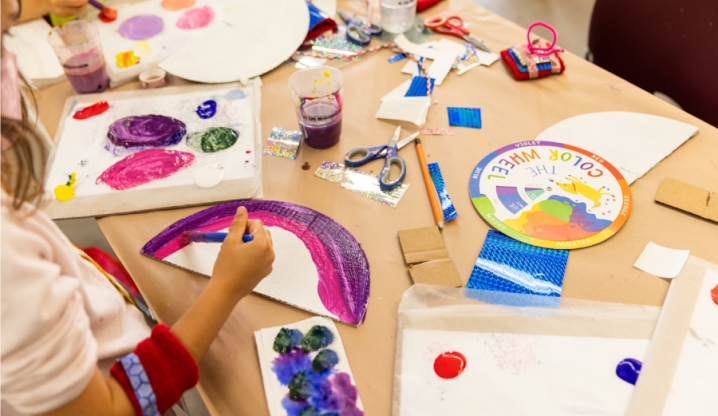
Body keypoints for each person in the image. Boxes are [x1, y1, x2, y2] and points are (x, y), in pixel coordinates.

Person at [0, 0, 276, 414]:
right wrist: (225, 288)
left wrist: (91, 270)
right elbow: (111, 408)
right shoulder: (9, 259)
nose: (12, 64)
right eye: (4, 37)